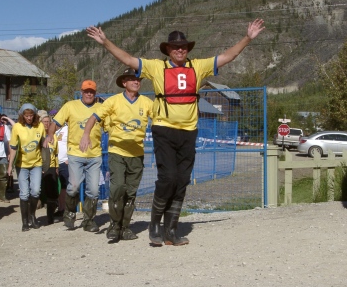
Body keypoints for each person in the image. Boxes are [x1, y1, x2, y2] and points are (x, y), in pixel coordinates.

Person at [86, 19, 265, 246]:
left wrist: (247, 38)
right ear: (168, 50)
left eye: (183, 46)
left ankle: (171, 230)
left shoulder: (198, 67)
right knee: (168, 177)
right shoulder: (156, 67)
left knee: (181, 180)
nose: (179, 50)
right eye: (175, 47)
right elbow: (128, 59)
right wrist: (105, 42)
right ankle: (154, 225)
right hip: (164, 129)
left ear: (187, 49)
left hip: (189, 131)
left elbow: (228, 56)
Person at [80, 68, 153, 241]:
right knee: (118, 188)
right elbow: (94, 117)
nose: (136, 82)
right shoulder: (113, 102)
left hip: (137, 154)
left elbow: (159, 120)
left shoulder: (147, 103)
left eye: (138, 79)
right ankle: (114, 225)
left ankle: (125, 227)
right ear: (124, 83)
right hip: (117, 152)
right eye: (132, 79)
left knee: (131, 193)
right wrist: (85, 135)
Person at [46, 80, 104, 232]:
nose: (89, 94)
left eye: (91, 91)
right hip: (75, 154)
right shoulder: (70, 106)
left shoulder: (101, 108)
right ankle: (69, 213)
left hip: (94, 154)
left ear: (95, 93)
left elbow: (110, 125)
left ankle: (89, 220)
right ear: (81, 92)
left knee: (94, 190)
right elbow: (56, 122)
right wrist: (50, 135)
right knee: (74, 186)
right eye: (86, 91)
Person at [8, 103, 45, 231]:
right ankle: (24, 222)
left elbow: (43, 145)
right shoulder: (17, 127)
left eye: (31, 115)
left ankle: (32, 216)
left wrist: (46, 163)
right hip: (22, 164)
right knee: (24, 193)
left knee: (35, 191)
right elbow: (13, 147)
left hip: (36, 163)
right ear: (22, 116)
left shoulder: (40, 126)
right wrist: (10, 166)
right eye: (26, 115)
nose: (29, 118)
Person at [38, 110, 59, 225]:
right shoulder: (39, 136)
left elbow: (56, 153)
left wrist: (56, 166)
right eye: (44, 122)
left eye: (48, 122)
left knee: (52, 192)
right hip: (39, 166)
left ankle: (50, 216)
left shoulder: (53, 137)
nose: (46, 124)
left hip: (51, 166)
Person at [54, 122, 68, 218]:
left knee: (65, 187)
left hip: (64, 161)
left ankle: (65, 209)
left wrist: (69, 158)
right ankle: (60, 207)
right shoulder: (53, 129)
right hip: (54, 162)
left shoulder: (68, 129)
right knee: (56, 186)